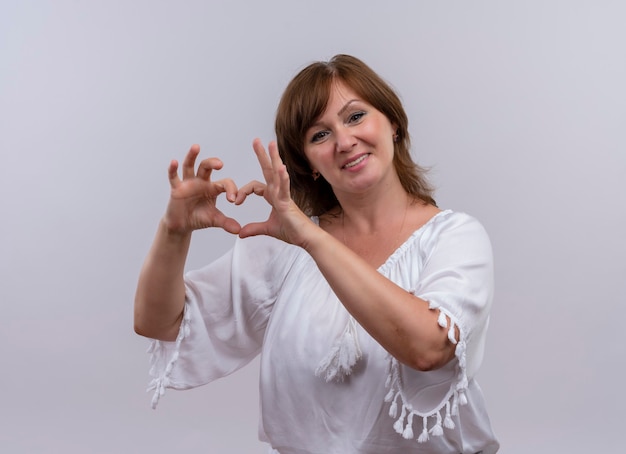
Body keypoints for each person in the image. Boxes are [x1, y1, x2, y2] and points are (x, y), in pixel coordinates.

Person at [134, 54, 499, 453]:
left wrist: (310, 237)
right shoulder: (283, 249)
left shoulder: (455, 237)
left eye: (356, 116)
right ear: (306, 163)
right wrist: (173, 231)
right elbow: (159, 323)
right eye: (319, 135)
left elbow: (428, 348)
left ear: (393, 123)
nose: (344, 142)